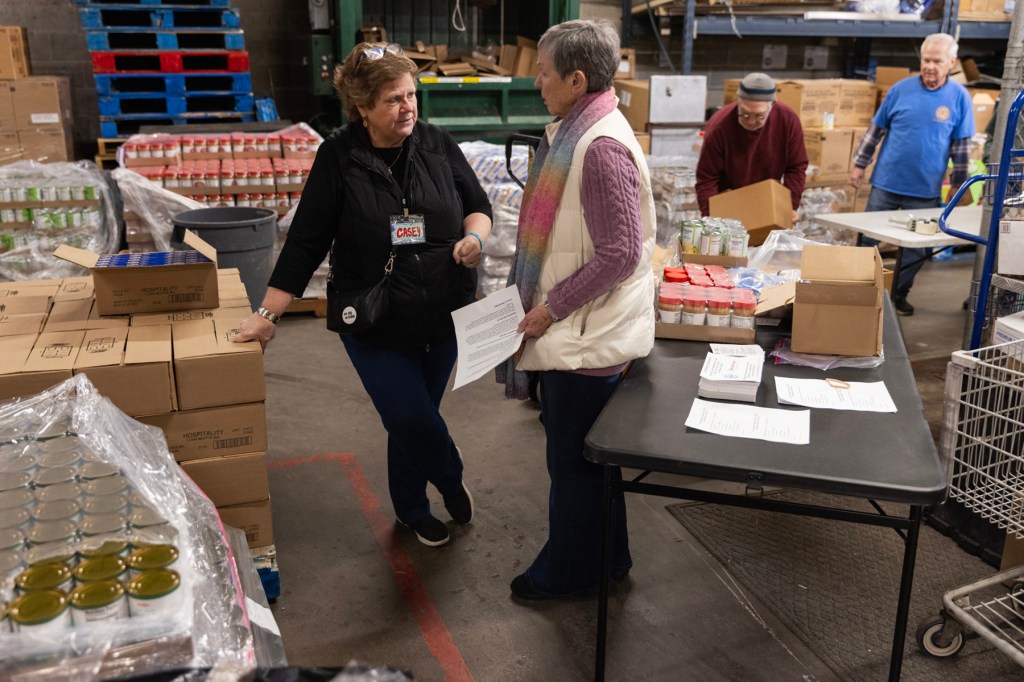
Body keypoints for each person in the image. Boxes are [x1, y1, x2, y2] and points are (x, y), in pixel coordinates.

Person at [234, 42, 493, 548]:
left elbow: (478, 206)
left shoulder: (438, 144)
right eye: (394, 99)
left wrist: (475, 238)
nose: (408, 108)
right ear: (363, 108)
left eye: (411, 96)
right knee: (409, 414)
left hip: (442, 312)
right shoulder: (340, 157)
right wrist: (268, 313)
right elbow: (306, 242)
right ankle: (449, 472)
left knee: (413, 420)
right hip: (375, 318)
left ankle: (413, 509)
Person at [496, 20, 656, 600]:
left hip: (588, 336)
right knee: (591, 466)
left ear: (576, 78)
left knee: (573, 470)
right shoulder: (580, 131)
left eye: (543, 72)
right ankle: (610, 558)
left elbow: (620, 254)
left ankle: (565, 575)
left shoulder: (599, 148)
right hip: (587, 328)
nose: (536, 82)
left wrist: (549, 310)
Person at [850, 33, 974, 316]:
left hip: (925, 188)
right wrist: (859, 164)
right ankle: (857, 289)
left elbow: (962, 147)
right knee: (868, 240)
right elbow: (875, 130)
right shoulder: (900, 89)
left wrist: (958, 186)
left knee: (916, 249)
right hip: (886, 182)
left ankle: (897, 295)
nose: (930, 66)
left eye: (937, 61)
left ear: (951, 62)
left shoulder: (959, 97)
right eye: (925, 60)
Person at [696, 72, 808, 223]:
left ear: (772, 106)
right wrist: (711, 219)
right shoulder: (719, 127)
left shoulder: (788, 120)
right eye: (744, 114)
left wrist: (790, 205)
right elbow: (707, 178)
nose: (750, 121)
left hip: (767, 200)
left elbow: (796, 167)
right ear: (738, 102)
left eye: (759, 116)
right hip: (729, 199)